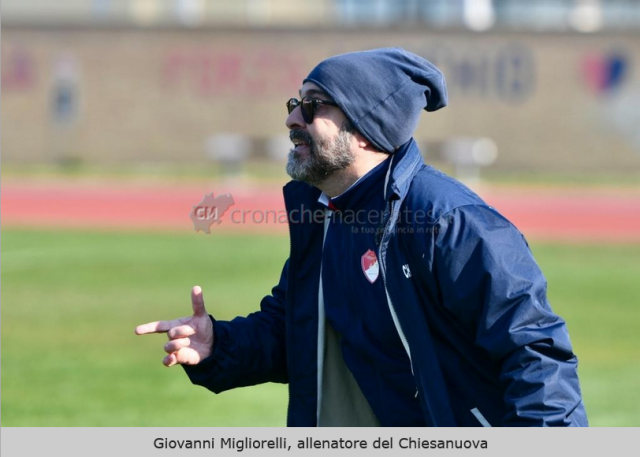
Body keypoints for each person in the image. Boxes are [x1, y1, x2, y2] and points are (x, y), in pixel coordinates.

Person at [136, 48, 588, 427]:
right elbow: (293, 331)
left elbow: (535, 354)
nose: (292, 118)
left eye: (313, 105)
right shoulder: (324, 216)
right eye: (294, 103)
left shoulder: (450, 220)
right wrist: (218, 345)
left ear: (367, 129)